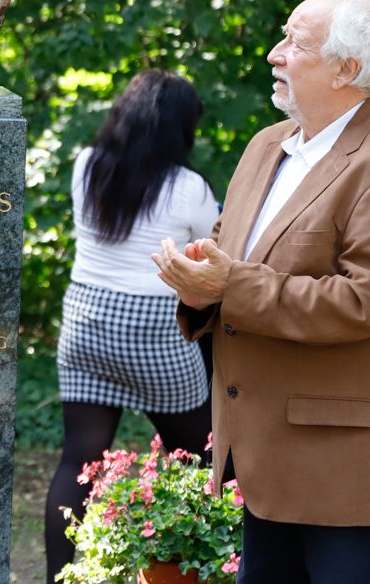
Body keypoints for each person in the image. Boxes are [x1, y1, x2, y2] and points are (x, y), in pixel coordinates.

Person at [153, 0, 370, 584]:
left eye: (295, 41)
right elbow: (231, 258)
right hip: (267, 461)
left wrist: (227, 285)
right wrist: (198, 286)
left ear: (346, 68)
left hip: (348, 473)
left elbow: (365, 302)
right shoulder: (268, 146)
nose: (274, 53)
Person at [44, 70, 219, 582]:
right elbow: (215, 250)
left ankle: (60, 577)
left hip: (86, 320)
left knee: (78, 458)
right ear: (179, 129)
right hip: (153, 328)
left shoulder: (87, 165)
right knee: (204, 456)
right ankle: (196, 568)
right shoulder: (188, 187)